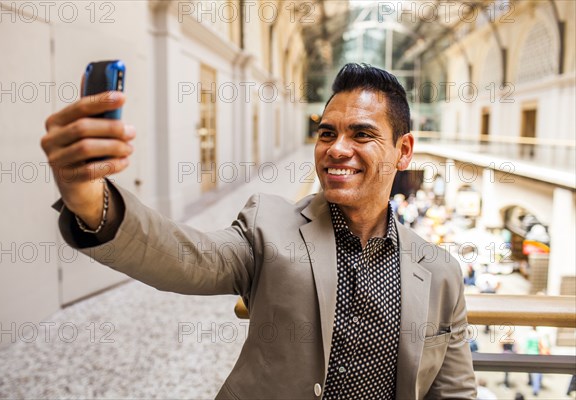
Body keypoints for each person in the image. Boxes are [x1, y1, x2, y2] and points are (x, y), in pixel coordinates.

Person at [41, 63, 476, 399]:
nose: (337, 149)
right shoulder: (270, 226)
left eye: (362, 134)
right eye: (327, 133)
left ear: (403, 151)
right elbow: (185, 256)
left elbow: (453, 390)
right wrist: (87, 197)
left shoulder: (439, 273)